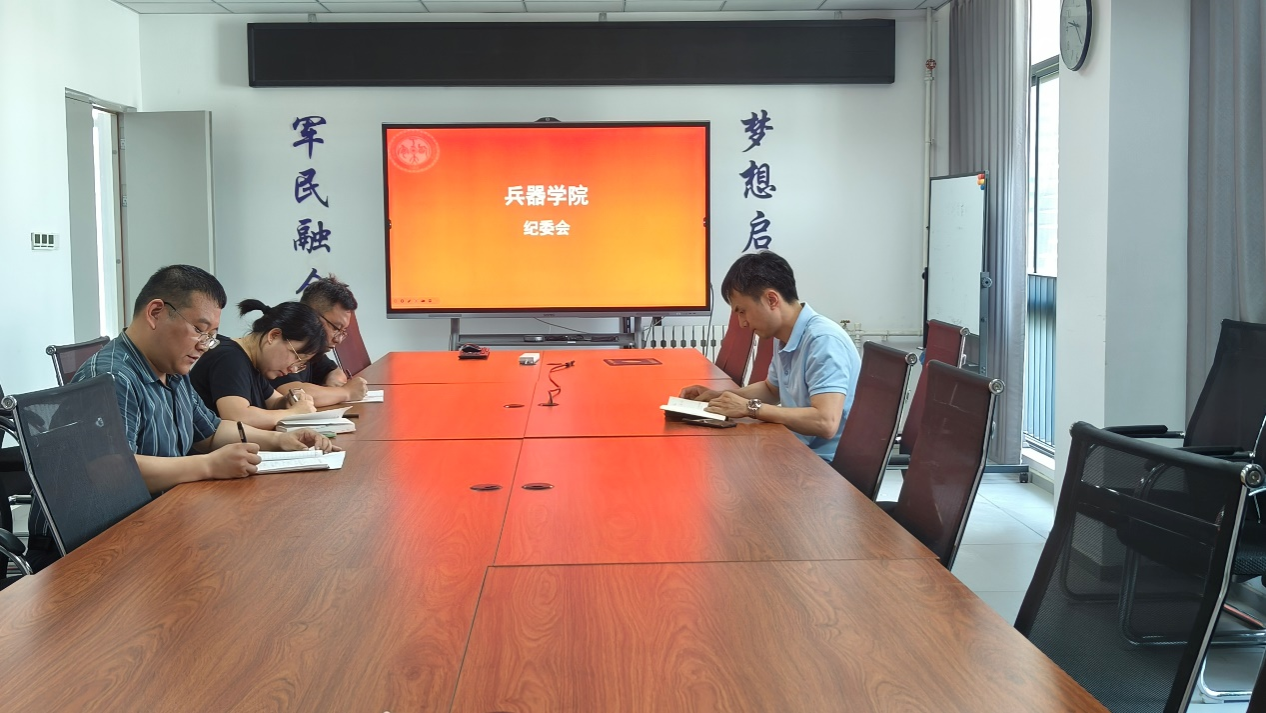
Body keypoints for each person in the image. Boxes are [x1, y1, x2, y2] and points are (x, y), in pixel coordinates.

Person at [23, 265, 336, 572]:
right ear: (156, 313)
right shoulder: (113, 377)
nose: (203, 345)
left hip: (151, 523)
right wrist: (208, 465)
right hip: (88, 552)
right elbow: (109, 470)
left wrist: (279, 440)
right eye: (199, 330)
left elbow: (211, 432)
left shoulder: (172, 370)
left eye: (211, 336)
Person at [679, 251, 861, 459]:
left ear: (771, 299)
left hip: (823, 464)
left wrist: (750, 408)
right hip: (796, 447)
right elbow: (771, 389)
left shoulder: (823, 340)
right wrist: (718, 396)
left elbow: (825, 422)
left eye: (742, 311)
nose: (742, 323)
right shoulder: (784, 335)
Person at [189, 299, 328, 430]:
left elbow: (274, 402)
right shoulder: (229, 357)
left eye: (300, 364)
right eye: (296, 357)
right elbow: (237, 417)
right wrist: (294, 413)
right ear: (274, 336)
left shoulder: (254, 363)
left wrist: (289, 400)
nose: (293, 369)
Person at [269, 275, 368, 407]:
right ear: (311, 314)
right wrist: (346, 392)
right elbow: (292, 393)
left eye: (343, 331)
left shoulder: (313, 349)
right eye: (336, 328)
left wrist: (333, 382)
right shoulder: (284, 342)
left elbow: (334, 371)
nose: (338, 339)